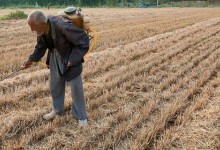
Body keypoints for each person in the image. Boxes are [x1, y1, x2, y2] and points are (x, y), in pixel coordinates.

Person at [21, 10, 89, 126]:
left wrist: (73, 59)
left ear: (42, 23)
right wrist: (31, 60)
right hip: (54, 56)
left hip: (70, 56)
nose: (32, 30)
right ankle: (57, 110)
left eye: (33, 27)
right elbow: (40, 47)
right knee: (55, 85)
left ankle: (81, 117)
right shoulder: (42, 30)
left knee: (75, 88)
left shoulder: (63, 26)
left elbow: (83, 41)